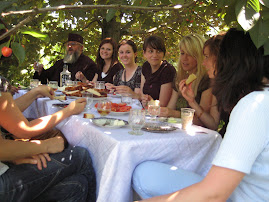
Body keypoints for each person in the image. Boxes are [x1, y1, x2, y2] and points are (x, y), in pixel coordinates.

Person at [132, 28, 269, 201]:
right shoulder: (257, 99)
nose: (204, 64)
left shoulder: (253, 106)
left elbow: (214, 194)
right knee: (144, 172)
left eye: (207, 57)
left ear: (228, 61)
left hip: (236, 196)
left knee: (143, 175)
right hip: (230, 184)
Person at [179, 34, 229, 135]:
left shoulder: (242, 89)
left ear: (220, 58)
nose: (203, 63)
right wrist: (192, 102)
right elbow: (214, 124)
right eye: (182, 53)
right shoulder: (218, 84)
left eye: (206, 57)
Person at [159, 33, 209, 118]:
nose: (184, 58)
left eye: (189, 54)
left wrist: (174, 114)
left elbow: (203, 121)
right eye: (182, 53)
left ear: (199, 56)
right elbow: (170, 108)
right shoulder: (179, 78)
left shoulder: (206, 80)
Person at [33, 33, 100, 84]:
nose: (70, 46)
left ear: (81, 48)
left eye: (73, 44)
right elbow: (45, 78)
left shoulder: (88, 64)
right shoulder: (60, 63)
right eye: (68, 44)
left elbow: (90, 86)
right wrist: (40, 71)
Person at [141, 35, 176, 107]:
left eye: (158, 51)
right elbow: (142, 93)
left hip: (161, 114)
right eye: (151, 51)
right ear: (144, 53)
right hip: (146, 110)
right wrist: (144, 99)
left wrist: (151, 102)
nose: (155, 55)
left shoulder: (168, 70)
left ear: (163, 53)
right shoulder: (146, 66)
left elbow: (162, 104)